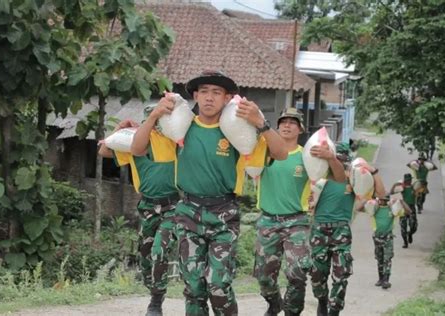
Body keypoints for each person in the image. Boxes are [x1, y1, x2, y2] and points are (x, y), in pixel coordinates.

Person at [131, 70, 288, 316]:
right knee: (193, 286)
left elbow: (281, 153)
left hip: (224, 214)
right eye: (204, 91)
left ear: (227, 98)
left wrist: (261, 122)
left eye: (217, 92)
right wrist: (154, 117)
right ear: (195, 96)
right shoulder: (180, 130)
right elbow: (137, 149)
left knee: (218, 285)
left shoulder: (238, 132)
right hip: (188, 213)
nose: (209, 98)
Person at [253, 108, 346, 316]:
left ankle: (292, 311)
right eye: (283, 121)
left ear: (301, 129)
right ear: (277, 127)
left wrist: (331, 158)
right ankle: (274, 302)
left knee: (297, 272)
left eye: (292, 122)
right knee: (264, 276)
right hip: (267, 220)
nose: (287, 125)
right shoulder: (265, 150)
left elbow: (340, 179)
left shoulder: (308, 156)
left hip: (296, 221)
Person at [98, 118, 180, 316]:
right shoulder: (134, 147)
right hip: (148, 207)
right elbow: (104, 150)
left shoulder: (173, 142)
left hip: (173, 207)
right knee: (145, 255)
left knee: (159, 250)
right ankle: (153, 290)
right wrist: (119, 130)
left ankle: (156, 301)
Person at [309, 143, 386, 316]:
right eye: (338, 159)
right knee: (316, 274)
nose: (342, 165)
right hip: (319, 230)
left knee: (341, 274)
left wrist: (373, 172)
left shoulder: (354, 180)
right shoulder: (319, 177)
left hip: (341, 231)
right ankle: (322, 299)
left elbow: (382, 196)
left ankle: (334, 309)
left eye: (344, 161)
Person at [370, 195, 409, 289]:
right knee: (379, 258)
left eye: (384, 200)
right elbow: (359, 209)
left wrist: (402, 202)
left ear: (387, 200)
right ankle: (380, 278)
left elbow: (408, 212)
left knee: (387, 259)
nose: (381, 201)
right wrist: (365, 199)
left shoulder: (393, 210)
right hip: (377, 237)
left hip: (388, 237)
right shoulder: (374, 210)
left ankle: (386, 280)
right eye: (380, 199)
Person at [390, 174, 417, 248]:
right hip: (403, 208)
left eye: (410, 180)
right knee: (403, 227)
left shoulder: (414, 187)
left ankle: (410, 234)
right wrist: (395, 185)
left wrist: (416, 192)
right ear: (405, 180)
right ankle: (405, 242)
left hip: (411, 208)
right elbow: (391, 193)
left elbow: (421, 192)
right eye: (408, 180)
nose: (409, 181)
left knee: (414, 226)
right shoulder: (401, 188)